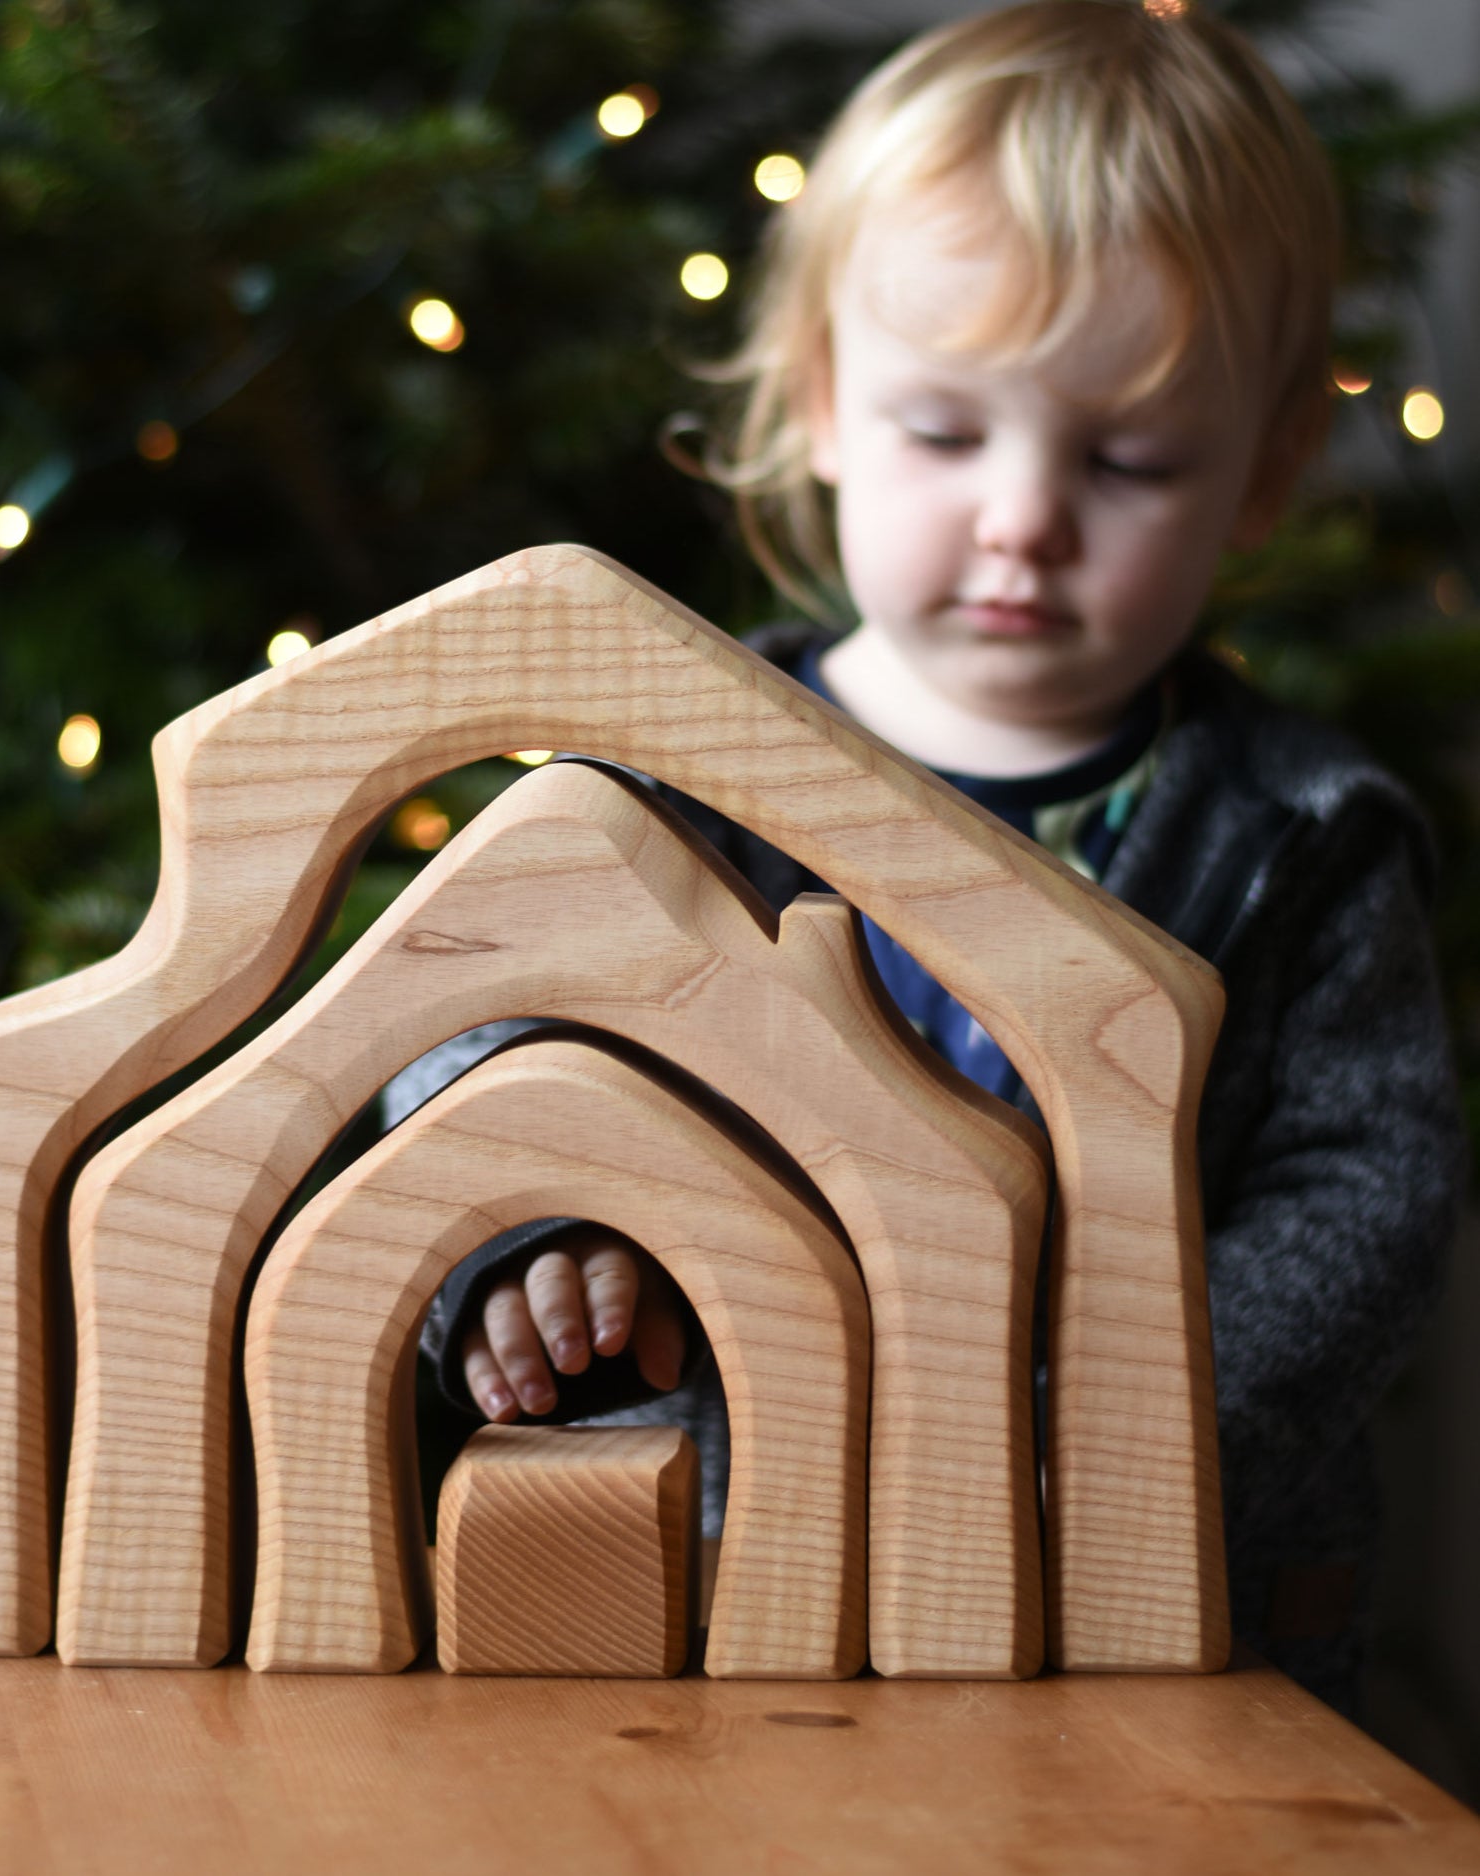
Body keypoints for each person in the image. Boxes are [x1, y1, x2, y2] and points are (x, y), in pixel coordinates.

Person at [395, 0, 1467, 1713]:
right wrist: (512, 1253)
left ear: (1262, 471)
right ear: (822, 402)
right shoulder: (677, 762)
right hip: (706, 1589)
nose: (1024, 517)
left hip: (1151, 1623)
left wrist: (1094, 1453)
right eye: (946, 435)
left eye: (1126, 459)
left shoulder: (1305, 841)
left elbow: (1362, 1203)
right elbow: (464, 1016)